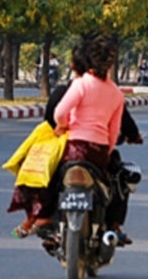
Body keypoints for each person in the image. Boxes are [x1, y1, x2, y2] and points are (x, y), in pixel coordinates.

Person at [8, 34, 126, 241]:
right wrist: (105, 151)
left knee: (51, 176)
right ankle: (112, 226)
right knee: (116, 182)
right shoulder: (116, 93)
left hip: (75, 149)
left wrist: (63, 127)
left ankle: (42, 218)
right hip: (98, 152)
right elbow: (113, 131)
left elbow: (60, 112)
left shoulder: (81, 85)